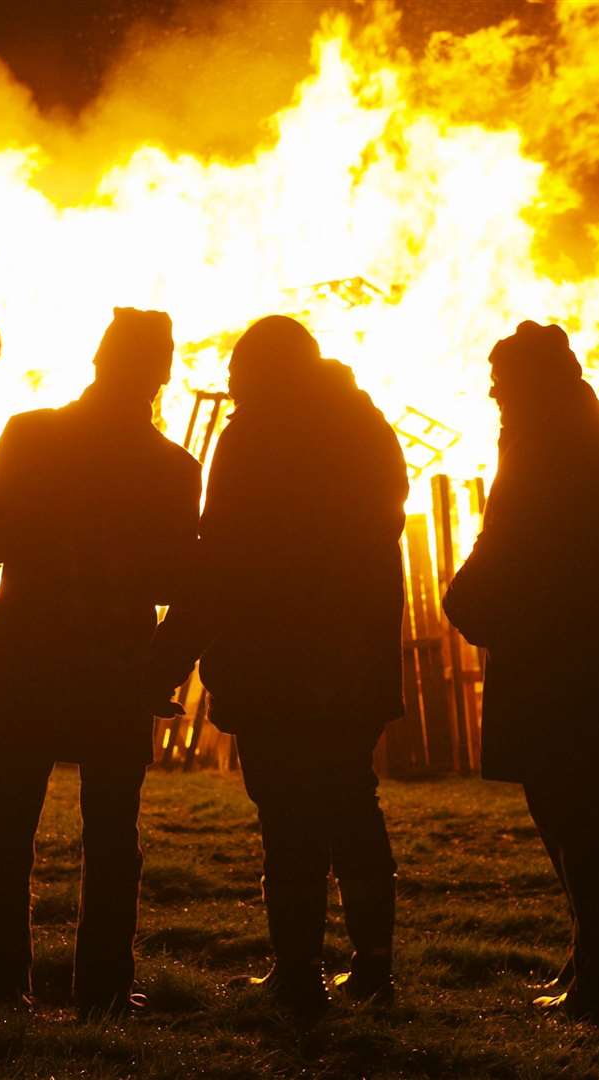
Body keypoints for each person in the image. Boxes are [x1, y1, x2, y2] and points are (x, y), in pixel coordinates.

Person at [152, 315, 407, 1018]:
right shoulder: (366, 431)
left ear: (260, 374)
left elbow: (223, 555)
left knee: (288, 817)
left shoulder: (255, 436)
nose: (232, 392)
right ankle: (372, 967)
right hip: (352, 664)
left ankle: (299, 971)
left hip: (276, 662)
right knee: (352, 802)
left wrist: (171, 655)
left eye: (239, 378)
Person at [0, 307, 201, 1019]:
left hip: (29, 659)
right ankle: (100, 987)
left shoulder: (30, 434)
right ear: (160, 374)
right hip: (111, 666)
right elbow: (171, 582)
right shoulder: (173, 466)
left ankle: (0, 984)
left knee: (6, 831)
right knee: (111, 834)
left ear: (99, 360)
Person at [442, 321, 599, 1019]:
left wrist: (466, 596)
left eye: (502, 380)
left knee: (583, 823)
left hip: (571, 670)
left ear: (534, 380)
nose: (493, 392)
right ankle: (591, 966)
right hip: (582, 665)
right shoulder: (579, 433)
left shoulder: (555, 441)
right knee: (572, 817)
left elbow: (514, 537)